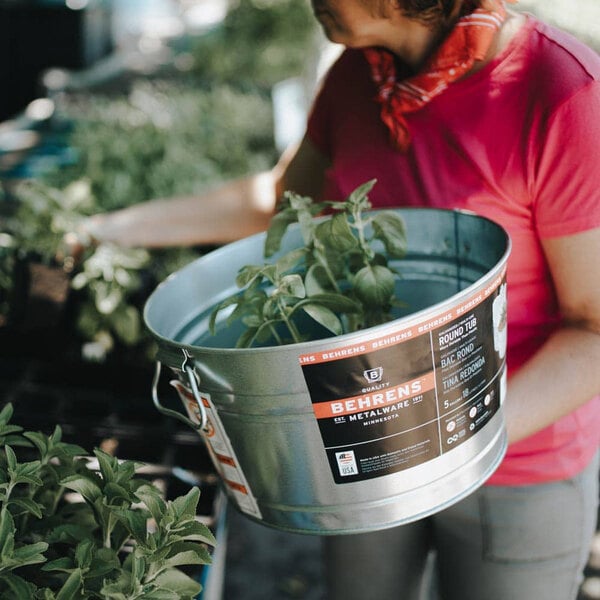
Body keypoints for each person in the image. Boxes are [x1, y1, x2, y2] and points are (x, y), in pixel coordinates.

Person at [73, 1, 600, 598]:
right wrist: (106, 229)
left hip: (520, 465)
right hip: (364, 445)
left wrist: (439, 441)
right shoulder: (358, 75)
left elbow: (595, 329)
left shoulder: (559, 93)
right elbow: (282, 201)